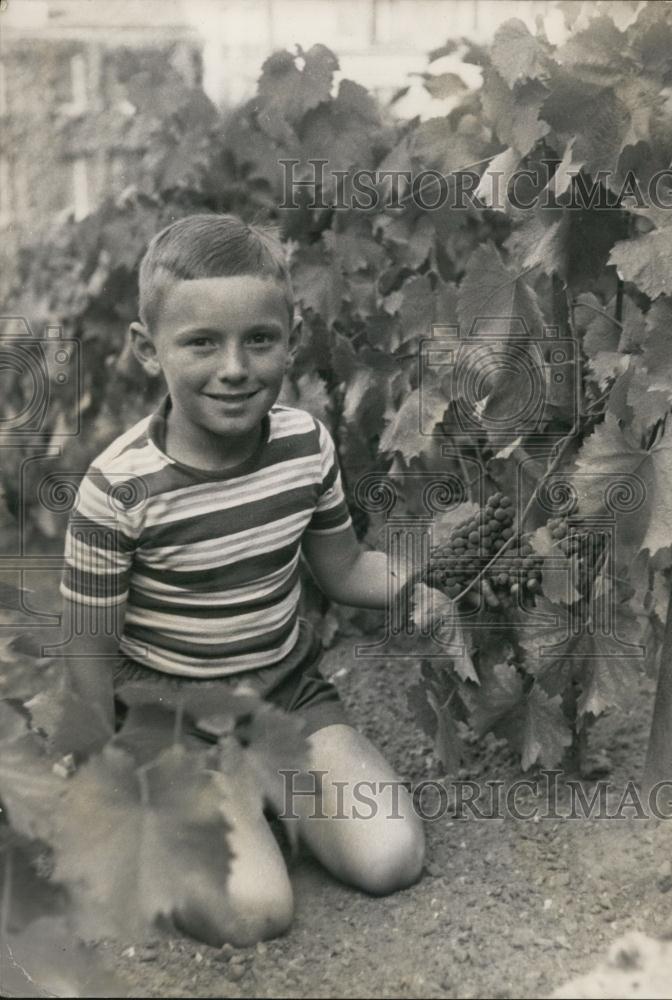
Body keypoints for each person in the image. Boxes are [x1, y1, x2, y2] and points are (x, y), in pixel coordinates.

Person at [60, 213, 425, 947]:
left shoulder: (304, 445)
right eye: (201, 342)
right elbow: (88, 662)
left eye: (259, 339)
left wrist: (422, 585)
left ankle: (262, 800)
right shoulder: (118, 490)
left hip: (285, 698)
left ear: (289, 340)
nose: (235, 367)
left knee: (392, 857)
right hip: (171, 722)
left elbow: (345, 569)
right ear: (145, 349)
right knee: (255, 912)